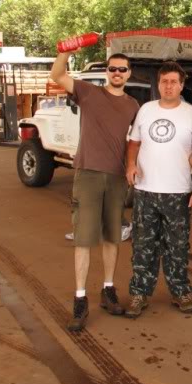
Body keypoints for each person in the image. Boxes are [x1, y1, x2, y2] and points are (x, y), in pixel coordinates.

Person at [50, 51, 139, 332]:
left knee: (113, 236)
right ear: (106, 72)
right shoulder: (89, 92)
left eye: (122, 70)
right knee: (84, 239)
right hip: (88, 173)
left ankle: (108, 290)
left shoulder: (134, 105)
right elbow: (58, 76)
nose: (117, 73)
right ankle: (80, 299)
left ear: (129, 73)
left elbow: (136, 141)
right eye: (113, 69)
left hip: (116, 178)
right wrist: (63, 54)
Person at [125, 62, 192, 318]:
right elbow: (134, 143)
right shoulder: (145, 110)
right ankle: (139, 293)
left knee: (177, 247)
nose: (168, 86)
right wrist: (130, 166)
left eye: (173, 82)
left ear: (181, 85)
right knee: (143, 245)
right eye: (164, 81)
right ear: (158, 84)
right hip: (146, 190)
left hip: (178, 191)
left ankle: (180, 291)